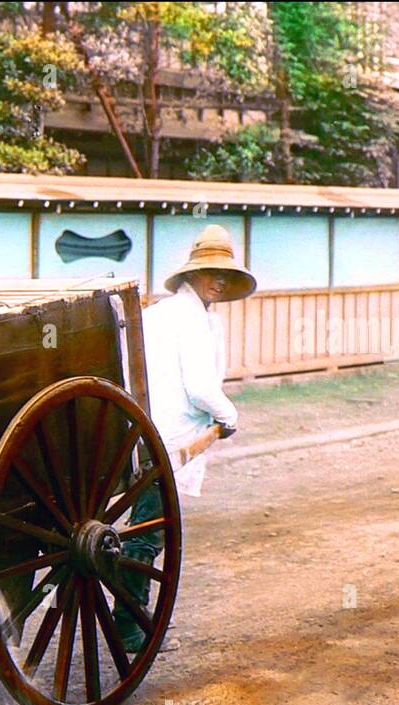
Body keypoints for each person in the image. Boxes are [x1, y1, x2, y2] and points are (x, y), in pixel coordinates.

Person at [112, 223, 256, 653]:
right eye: (210, 271)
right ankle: (128, 623)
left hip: (139, 427)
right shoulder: (186, 318)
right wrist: (229, 414)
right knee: (147, 531)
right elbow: (199, 386)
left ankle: (130, 618)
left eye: (225, 274)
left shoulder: (171, 313)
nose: (218, 280)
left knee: (146, 524)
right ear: (191, 273)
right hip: (167, 437)